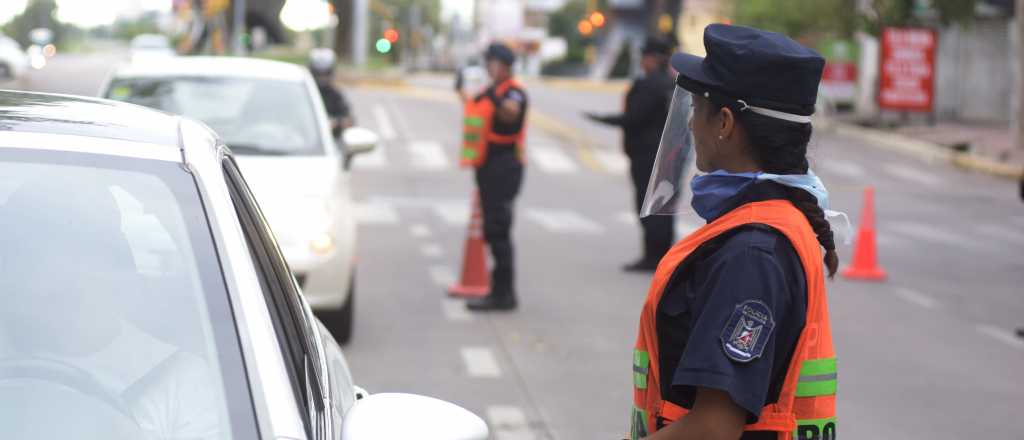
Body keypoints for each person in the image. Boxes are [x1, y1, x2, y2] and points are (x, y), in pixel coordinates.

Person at [629, 24, 839, 440]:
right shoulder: (773, 222)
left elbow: (713, 428)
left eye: (696, 109)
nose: (690, 125)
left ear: (724, 123)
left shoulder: (751, 252)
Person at [586, 37, 677, 272]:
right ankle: (663, 256)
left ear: (652, 59)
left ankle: (652, 258)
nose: (641, 62)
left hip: (648, 154)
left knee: (649, 206)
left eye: (644, 57)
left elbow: (633, 119)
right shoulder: (672, 83)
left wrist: (602, 118)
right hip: (669, 153)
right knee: (663, 206)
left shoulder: (649, 84)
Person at [456, 42, 528, 311]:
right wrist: (459, 88)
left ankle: (504, 295)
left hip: (504, 168)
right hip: (488, 167)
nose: (488, 67)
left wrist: (493, 96)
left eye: (491, 63)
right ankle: (499, 291)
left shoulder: (514, 92)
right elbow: (473, 105)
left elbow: (510, 113)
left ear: (503, 65)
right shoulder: (493, 90)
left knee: (499, 231)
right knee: (492, 230)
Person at [309, 48, 353, 137]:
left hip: (332, 141)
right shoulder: (304, 94)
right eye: (318, 73)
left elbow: (349, 120)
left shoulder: (336, 95)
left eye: (325, 73)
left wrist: (336, 123)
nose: (322, 78)